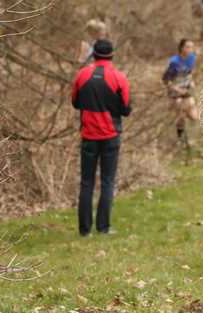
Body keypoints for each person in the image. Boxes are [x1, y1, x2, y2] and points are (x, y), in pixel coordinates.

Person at [72, 39, 132, 236]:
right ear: (112, 54)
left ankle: (84, 230)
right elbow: (126, 110)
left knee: (86, 182)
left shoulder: (82, 75)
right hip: (110, 136)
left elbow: (75, 102)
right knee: (107, 181)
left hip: (88, 135)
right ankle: (103, 227)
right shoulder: (119, 77)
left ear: (94, 54)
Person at [163, 39, 199, 144]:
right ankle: (181, 140)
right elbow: (165, 80)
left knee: (194, 117)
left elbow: (190, 73)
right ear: (181, 48)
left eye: (192, 47)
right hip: (175, 93)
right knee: (181, 116)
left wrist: (191, 82)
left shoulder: (192, 58)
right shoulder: (174, 62)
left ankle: (188, 137)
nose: (191, 49)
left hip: (186, 91)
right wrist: (176, 89)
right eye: (188, 47)